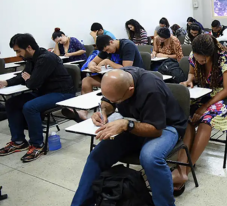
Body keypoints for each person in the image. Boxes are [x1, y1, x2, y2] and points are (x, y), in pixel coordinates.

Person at [71, 68, 187, 206]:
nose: (114, 102)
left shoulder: (151, 89)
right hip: (133, 122)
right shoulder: (116, 79)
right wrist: (103, 111)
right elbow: (108, 102)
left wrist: (127, 125)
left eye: (117, 100)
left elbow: (156, 130)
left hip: (166, 126)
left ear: (131, 90)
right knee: (97, 155)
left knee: (150, 158)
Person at [173, 35, 227, 194]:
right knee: (188, 117)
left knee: (206, 119)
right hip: (205, 93)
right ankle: (181, 170)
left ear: (210, 54)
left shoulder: (223, 57)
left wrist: (205, 107)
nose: (200, 63)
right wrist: (189, 80)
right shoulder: (193, 55)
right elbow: (191, 73)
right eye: (198, 60)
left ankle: (186, 171)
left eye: (203, 61)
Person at [0, 33, 75, 162]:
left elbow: (32, 83)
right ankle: (18, 141)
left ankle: (37, 145)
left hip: (62, 93)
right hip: (45, 92)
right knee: (11, 103)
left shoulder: (46, 58)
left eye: (18, 51)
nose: (18, 54)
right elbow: (25, 76)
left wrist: (29, 79)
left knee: (30, 107)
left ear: (28, 47)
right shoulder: (31, 58)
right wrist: (6, 83)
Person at [76, 35, 144, 120]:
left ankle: (104, 111)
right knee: (86, 81)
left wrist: (108, 61)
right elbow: (93, 61)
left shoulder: (127, 45)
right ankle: (84, 111)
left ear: (111, 42)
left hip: (130, 78)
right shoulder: (106, 48)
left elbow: (126, 68)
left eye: (108, 50)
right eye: (105, 51)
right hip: (114, 77)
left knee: (110, 86)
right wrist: (92, 66)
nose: (108, 52)